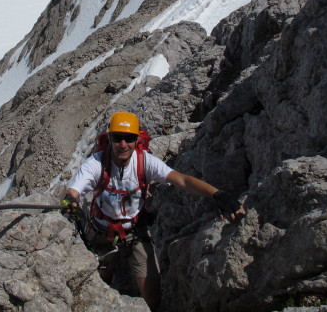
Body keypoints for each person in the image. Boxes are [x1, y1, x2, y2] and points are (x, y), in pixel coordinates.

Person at [61, 111, 245, 312]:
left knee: (153, 297)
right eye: (118, 138)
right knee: (100, 277)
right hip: (101, 234)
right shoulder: (96, 163)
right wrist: (71, 200)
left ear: (137, 139)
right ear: (110, 138)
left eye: (129, 138)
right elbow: (74, 190)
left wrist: (216, 194)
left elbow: (181, 180)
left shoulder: (145, 161)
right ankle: (109, 275)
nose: (123, 144)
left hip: (134, 234)